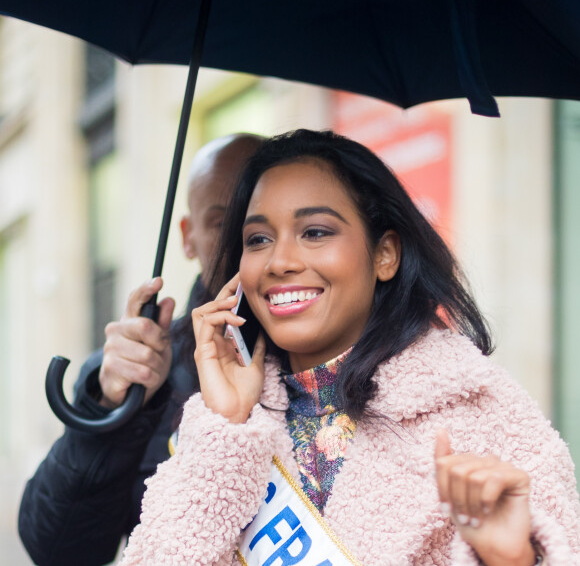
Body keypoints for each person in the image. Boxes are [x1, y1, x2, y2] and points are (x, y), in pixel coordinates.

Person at [120, 129, 580, 566]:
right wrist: (226, 429)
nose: (280, 261)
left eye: (315, 232)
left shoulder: (484, 412)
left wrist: (512, 558)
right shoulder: (226, 419)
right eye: (258, 239)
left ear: (385, 255)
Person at [18, 133, 265, 566]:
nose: (240, 244)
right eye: (220, 221)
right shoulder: (142, 369)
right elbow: (58, 551)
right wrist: (110, 407)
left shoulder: (340, 356)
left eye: (257, 226)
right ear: (188, 237)